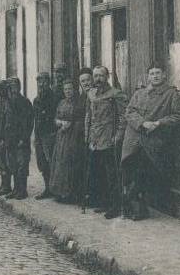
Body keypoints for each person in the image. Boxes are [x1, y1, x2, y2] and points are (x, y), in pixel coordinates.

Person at [121, 64, 180, 221]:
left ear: (164, 75)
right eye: (152, 73)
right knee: (130, 171)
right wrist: (143, 123)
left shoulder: (171, 94)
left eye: (158, 73)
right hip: (134, 139)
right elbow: (129, 112)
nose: (155, 76)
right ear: (148, 76)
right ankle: (132, 207)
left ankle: (134, 208)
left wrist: (158, 123)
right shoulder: (139, 93)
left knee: (142, 173)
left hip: (153, 142)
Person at [84, 66, 128, 219]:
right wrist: (88, 136)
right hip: (95, 140)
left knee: (112, 174)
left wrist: (118, 136)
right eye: (95, 76)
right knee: (99, 173)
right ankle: (104, 202)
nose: (98, 79)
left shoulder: (116, 94)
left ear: (107, 77)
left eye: (101, 76)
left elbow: (123, 118)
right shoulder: (91, 94)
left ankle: (115, 206)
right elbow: (89, 118)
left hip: (109, 139)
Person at [48, 69, 93, 204]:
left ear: (74, 89)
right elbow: (55, 118)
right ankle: (59, 192)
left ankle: (70, 193)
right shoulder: (61, 103)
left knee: (70, 164)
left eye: (70, 89)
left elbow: (81, 118)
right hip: (61, 138)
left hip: (73, 137)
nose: (68, 91)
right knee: (59, 164)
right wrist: (60, 122)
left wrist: (71, 124)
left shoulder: (78, 102)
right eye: (65, 89)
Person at [3, 77, 34, 200]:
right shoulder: (8, 102)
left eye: (15, 86)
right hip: (11, 139)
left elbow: (29, 122)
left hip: (21, 140)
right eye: (10, 87)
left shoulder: (25, 102)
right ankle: (15, 189)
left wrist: (24, 138)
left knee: (22, 165)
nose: (13, 89)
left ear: (19, 87)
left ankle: (22, 190)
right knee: (13, 165)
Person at [32, 72, 59, 200]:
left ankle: (54, 189)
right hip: (39, 135)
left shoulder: (53, 98)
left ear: (49, 82)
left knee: (51, 162)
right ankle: (47, 188)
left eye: (44, 82)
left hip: (50, 134)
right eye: (39, 82)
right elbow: (36, 118)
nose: (41, 84)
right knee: (42, 163)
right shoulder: (36, 100)